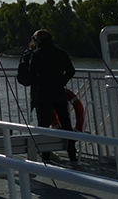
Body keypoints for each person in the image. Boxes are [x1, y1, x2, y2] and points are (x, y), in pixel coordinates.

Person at [27, 29, 77, 162]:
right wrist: (62, 81)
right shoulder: (60, 53)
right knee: (66, 122)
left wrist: (38, 81)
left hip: (43, 92)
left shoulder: (37, 54)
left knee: (44, 125)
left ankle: (45, 154)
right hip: (59, 91)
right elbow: (71, 70)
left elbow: (31, 74)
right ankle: (72, 153)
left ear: (37, 41)